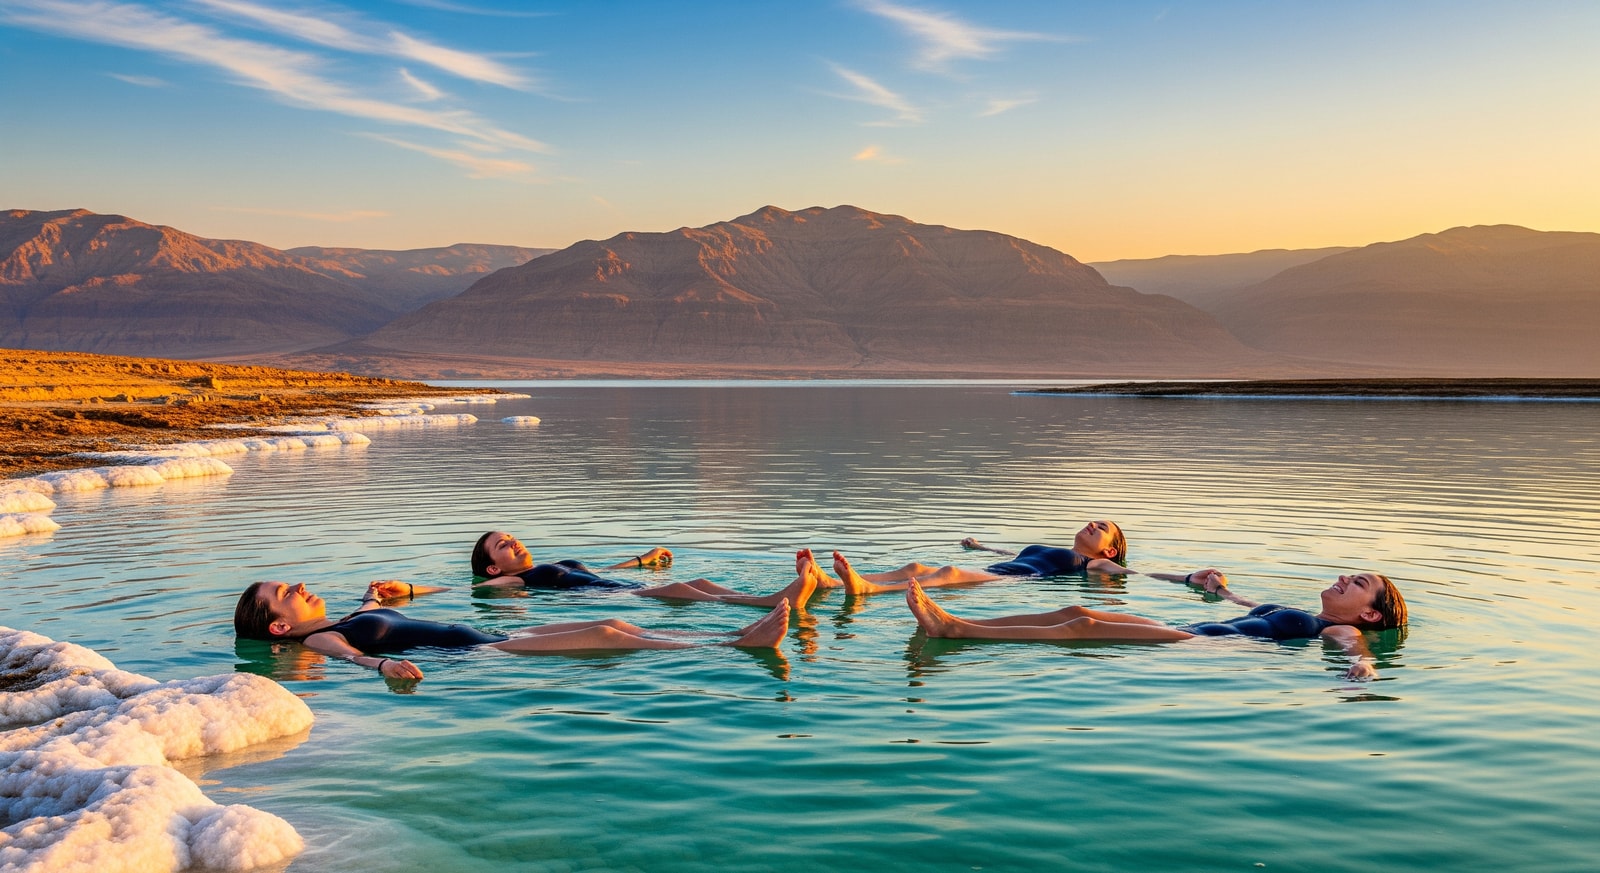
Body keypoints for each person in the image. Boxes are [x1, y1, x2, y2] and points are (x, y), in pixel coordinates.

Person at [234, 579, 790, 681]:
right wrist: (384, 665)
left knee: (615, 619)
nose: (299, 584)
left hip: (475, 634)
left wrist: (384, 591)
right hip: (485, 654)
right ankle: (734, 645)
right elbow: (349, 658)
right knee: (611, 636)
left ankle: (739, 632)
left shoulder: (347, 617)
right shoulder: (316, 639)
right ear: (281, 627)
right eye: (285, 593)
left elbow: (374, 600)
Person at [902, 568, 1408, 679]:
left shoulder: (1340, 629)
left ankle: (953, 629)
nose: (1343, 577)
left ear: (1369, 613)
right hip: (1192, 624)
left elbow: (1354, 650)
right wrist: (1215, 585)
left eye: (1358, 582)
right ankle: (964, 619)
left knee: (1083, 630)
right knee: (1075, 612)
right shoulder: (1305, 613)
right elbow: (1243, 601)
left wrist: (1364, 670)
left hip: (1198, 644)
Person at [471, 531, 823, 608]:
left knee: (696, 581)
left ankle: (818, 587)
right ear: (492, 568)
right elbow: (476, 592)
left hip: (619, 582)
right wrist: (414, 591)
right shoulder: (514, 579)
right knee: (683, 590)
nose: (514, 543)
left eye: (513, 537)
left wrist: (645, 558)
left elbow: (600, 568)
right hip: (612, 594)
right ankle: (770, 602)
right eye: (503, 546)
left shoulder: (556, 562)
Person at [825, 520, 1129, 596]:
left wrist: (1177, 578)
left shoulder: (1094, 564)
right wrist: (980, 547)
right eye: (1093, 521)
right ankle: (831, 582)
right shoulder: (1057, 551)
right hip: (994, 566)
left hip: (1010, 579)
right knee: (915, 567)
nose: (1092, 524)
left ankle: (870, 589)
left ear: (1109, 551)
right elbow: (1014, 553)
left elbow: (1136, 575)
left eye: (1101, 528)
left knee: (949, 572)